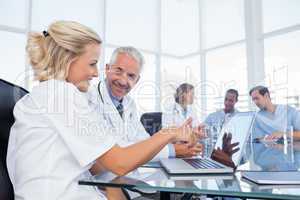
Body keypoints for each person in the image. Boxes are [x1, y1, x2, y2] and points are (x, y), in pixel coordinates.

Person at [6, 21, 199, 200]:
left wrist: (171, 140)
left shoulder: (50, 94)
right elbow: (120, 161)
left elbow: (112, 156)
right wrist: (170, 133)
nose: (95, 73)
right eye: (92, 63)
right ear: (67, 59)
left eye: (131, 75)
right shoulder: (61, 94)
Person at [87, 48, 203, 160]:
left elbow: (144, 141)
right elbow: (117, 152)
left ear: (137, 80)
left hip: (128, 173)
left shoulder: (129, 104)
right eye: (118, 71)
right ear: (107, 69)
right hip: (99, 177)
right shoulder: (90, 99)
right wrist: (172, 150)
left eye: (131, 76)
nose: (123, 81)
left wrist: (182, 141)